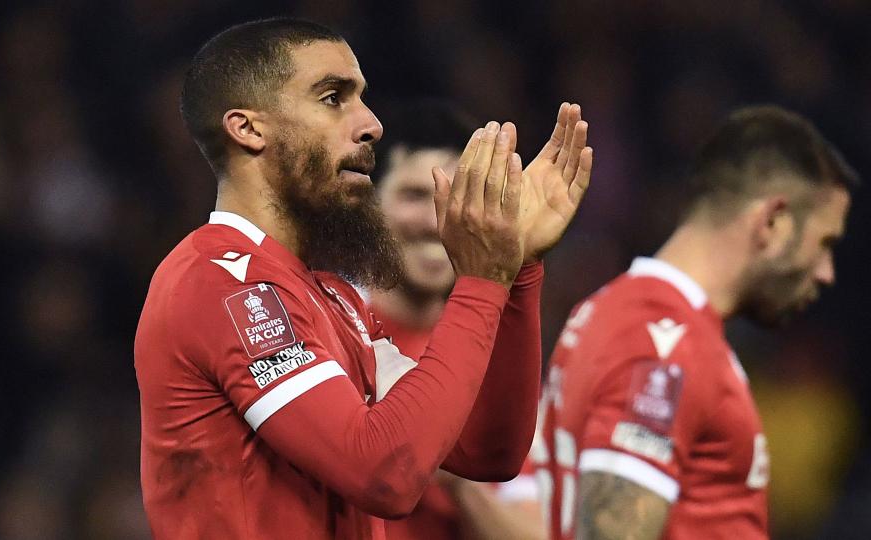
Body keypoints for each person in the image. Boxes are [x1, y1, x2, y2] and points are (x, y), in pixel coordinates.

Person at [134, 18, 593, 539]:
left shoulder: (335, 295)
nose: (370, 123)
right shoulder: (221, 283)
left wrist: (516, 271)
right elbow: (384, 474)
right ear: (249, 129)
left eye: (362, 98)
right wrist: (482, 281)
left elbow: (487, 449)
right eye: (333, 98)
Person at [537, 105, 857, 539]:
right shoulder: (664, 341)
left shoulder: (620, 313)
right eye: (824, 243)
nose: (826, 271)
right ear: (773, 222)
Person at [369, 99, 547, 540]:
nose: (437, 223)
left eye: (457, 200)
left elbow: (532, 532)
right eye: (414, 196)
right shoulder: (325, 330)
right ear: (368, 206)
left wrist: (453, 468)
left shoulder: (499, 360)